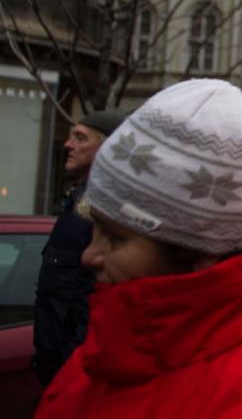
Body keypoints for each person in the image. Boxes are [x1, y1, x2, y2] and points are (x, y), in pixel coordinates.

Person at [35, 79, 242, 417]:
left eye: (116, 237)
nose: (88, 255)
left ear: (200, 252)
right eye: (95, 229)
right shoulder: (99, 353)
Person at [32, 108, 125, 385]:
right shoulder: (78, 201)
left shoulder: (103, 209)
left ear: (107, 147)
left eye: (80, 138)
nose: (68, 144)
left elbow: (96, 299)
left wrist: (72, 366)